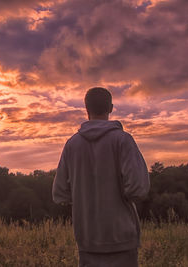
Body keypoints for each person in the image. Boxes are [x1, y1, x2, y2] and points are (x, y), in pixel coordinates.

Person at [52, 87, 150, 267]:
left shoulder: (72, 145)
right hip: (121, 238)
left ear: (86, 108)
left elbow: (59, 193)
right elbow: (138, 188)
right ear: (111, 108)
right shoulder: (123, 140)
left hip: (87, 239)